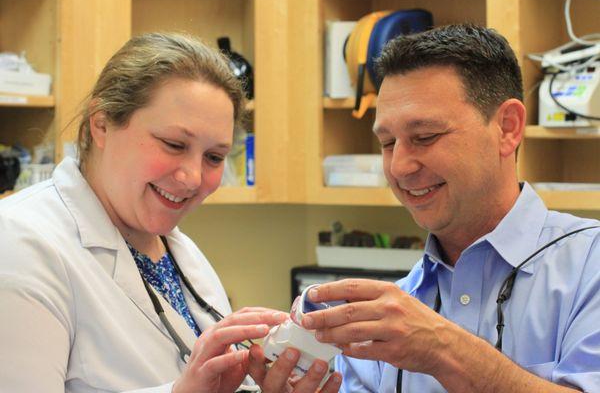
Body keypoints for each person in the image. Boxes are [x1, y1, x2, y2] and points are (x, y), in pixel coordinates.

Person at [0, 33, 341, 393]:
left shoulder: (181, 255)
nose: (193, 177)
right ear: (101, 124)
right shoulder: (19, 244)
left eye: (214, 157)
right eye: (174, 145)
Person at [298, 24, 600, 392]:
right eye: (388, 142)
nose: (399, 168)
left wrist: (442, 349)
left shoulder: (590, 268)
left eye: (425, 137)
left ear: (508, 127)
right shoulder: (390, 312)